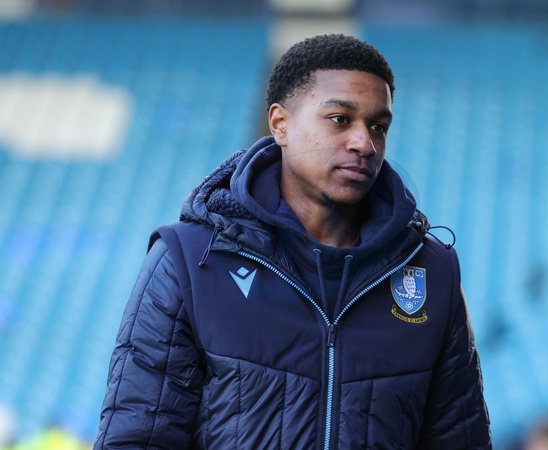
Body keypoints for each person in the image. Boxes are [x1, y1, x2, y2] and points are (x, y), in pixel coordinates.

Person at [95, 34, 492, 449]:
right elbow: (136, 439)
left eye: (378, 126)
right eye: (340, 119)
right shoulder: (191, 260)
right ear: (280, 124)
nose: (364, 143)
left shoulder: (431, 272)